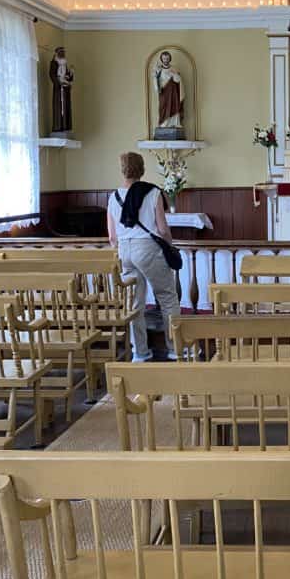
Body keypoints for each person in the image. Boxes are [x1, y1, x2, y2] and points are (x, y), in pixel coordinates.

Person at [106, 152, 179, 362]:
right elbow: (163, 229)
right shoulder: (153, 193)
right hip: (147, 249)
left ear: (122, 170)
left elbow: (112, 235)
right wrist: (169, 246)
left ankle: (140, 352)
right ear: (142, 169)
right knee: (167, 297)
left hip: (124, 250)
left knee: (135, 303)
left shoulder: (113, 197)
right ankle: (176, 348)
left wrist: (121, 249)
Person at [152, 51, 183, 129]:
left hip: (173, 92)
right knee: (163, 107)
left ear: (169, 59)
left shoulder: (174, 69)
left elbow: (178, 80)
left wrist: (173, 74)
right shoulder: (159, 70)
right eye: (164, 58)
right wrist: (156, 75)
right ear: (162, 59)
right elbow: (156, 80)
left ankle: (175, 123)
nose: (165, 60)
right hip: (163, 92)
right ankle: (164, 123)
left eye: (167, 58)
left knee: (174, 105)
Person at [49, 47, 73, 134]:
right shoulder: (54, 63)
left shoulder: (64, 64)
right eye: (61, 52)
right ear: (57, 53)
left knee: (66, 107)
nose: (63, 54)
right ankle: (58, 127)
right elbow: (52, 75)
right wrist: (59, 82)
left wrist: (71, 73)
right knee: (59, 107)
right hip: (59, 89)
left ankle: (66, 126)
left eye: (63, 52)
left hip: (65, 88)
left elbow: (68, 77)